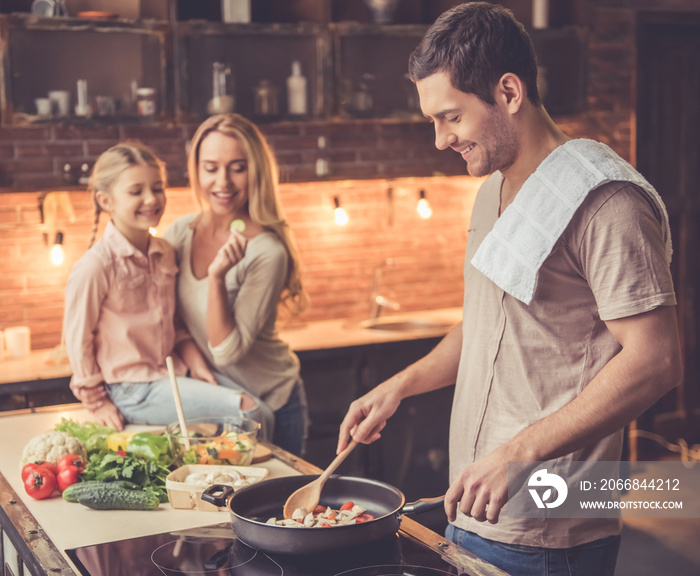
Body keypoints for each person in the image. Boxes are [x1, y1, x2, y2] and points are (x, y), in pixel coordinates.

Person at [337, 3, 682, 576]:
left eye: (452, 117)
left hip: (550, 529)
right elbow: (490, 320)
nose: (442, 140)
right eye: (434, 122)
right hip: (474, 507)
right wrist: (403, 384)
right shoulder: (491, 190)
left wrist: (518, 454)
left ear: (509, 92)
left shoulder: (607, 202)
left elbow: (657, 359)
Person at [64, 142, 265, 432]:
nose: (151, 199)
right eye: (136, 192)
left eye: (157, 188)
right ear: (106, 201)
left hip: (171, 374)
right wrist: (97, 403)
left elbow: (174, 324)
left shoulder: (165, 252)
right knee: (249, 411)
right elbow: (77, 339)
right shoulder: (95, 266)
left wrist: (196, 365)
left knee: (264, 411)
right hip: (131, 390)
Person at [164, 113, 309, 456]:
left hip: (274, 404)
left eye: (237, 167)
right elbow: (166, 317)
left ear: (255, 170)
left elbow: (227, 350)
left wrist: (217, 277)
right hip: (219, 400)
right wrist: (189, 354)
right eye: (211, 167)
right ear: (196, 170)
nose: (223, 182)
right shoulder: (179, 234)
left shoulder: (266, 251)